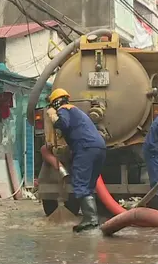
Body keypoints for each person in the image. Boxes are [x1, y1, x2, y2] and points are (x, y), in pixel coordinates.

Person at [46, 88, 107, 233]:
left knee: (80, 183)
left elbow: (63, 124)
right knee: (89, 185)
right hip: (99, 148)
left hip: (85, 148)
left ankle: (91, 220)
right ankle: (93, 220)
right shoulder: (76, 111)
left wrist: (54, 117)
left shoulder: (64, 110)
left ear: (56, 102)